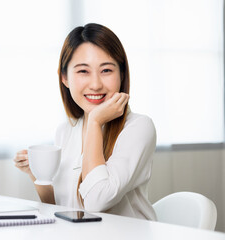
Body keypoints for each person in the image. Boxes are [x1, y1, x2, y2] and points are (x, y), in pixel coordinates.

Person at [13, 23, 157, 220]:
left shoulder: (138, 127)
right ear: (64, 78)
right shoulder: (65, 131)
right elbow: (62, 210)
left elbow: (96, 202)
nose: (96, 84)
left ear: (122, 74)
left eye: (106, 70)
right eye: (83, 71)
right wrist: (37, 175)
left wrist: (95, 122)